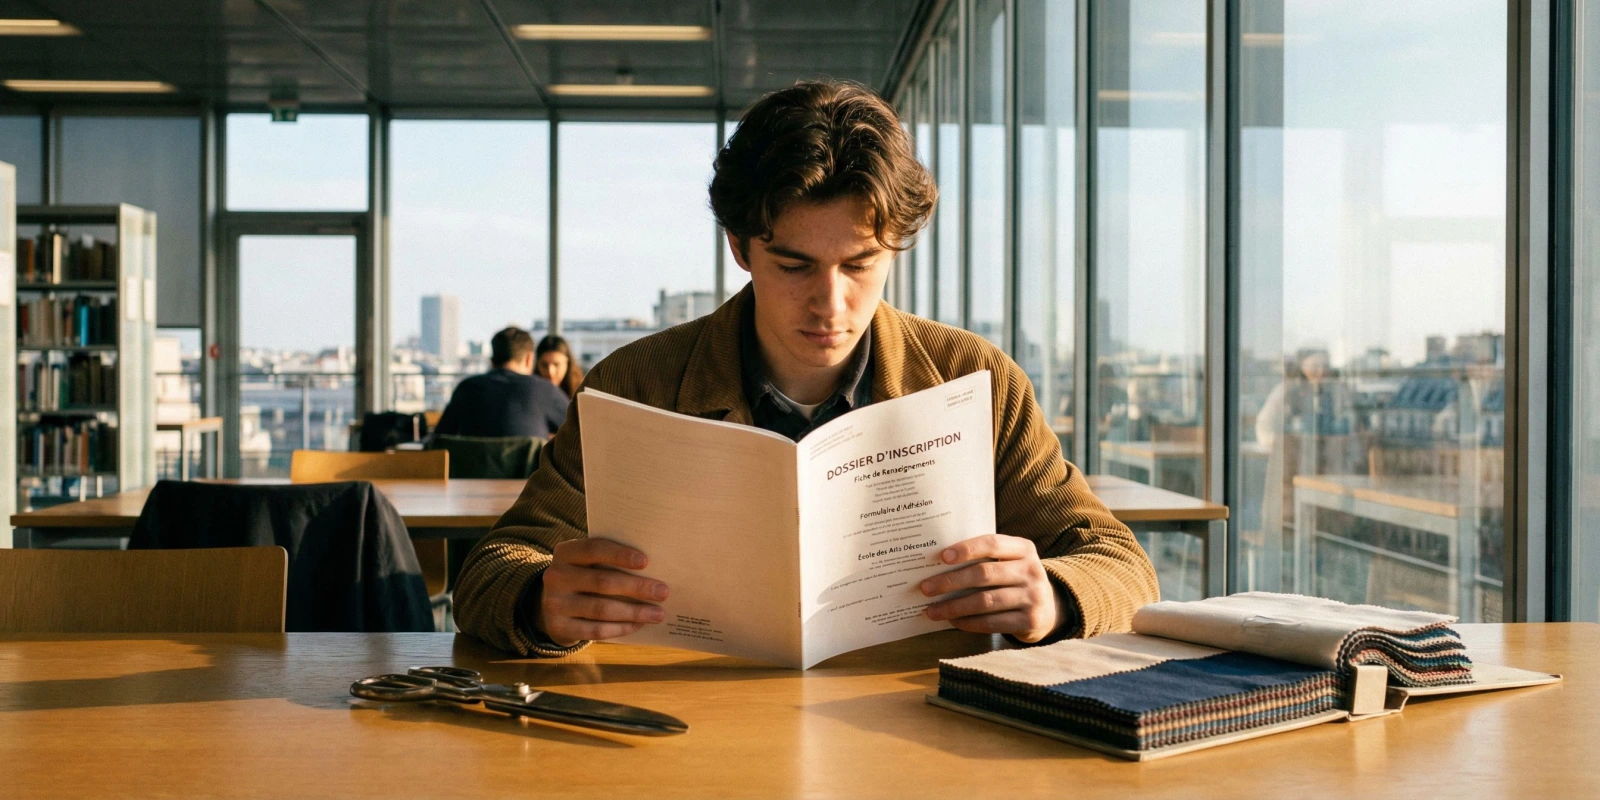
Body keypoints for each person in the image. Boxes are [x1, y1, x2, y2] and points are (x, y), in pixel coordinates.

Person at [454, 81, 1157, 657]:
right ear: (739, 247)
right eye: (793, 265)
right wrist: (539, 600)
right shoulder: (633, 385)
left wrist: (1053, 597)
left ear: (894, 250)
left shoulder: (974, 381)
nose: (830, 302)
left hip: (920, 729)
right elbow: (490, 572)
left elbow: (1124, 568)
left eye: (860, 265)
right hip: (681, 726)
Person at [431, 326, 567, 439]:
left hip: (473, 471)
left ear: (492, 361)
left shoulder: (466, 388)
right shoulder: (543, 390)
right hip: (529, 471)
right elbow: (581, 430)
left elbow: (439, 439)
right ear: (529, 359)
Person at [534, 335, 583, 399]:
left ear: (567, 363)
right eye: (544, 365)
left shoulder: (581, 393)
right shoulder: (530, 393)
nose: (550, 372)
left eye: (556, 364)